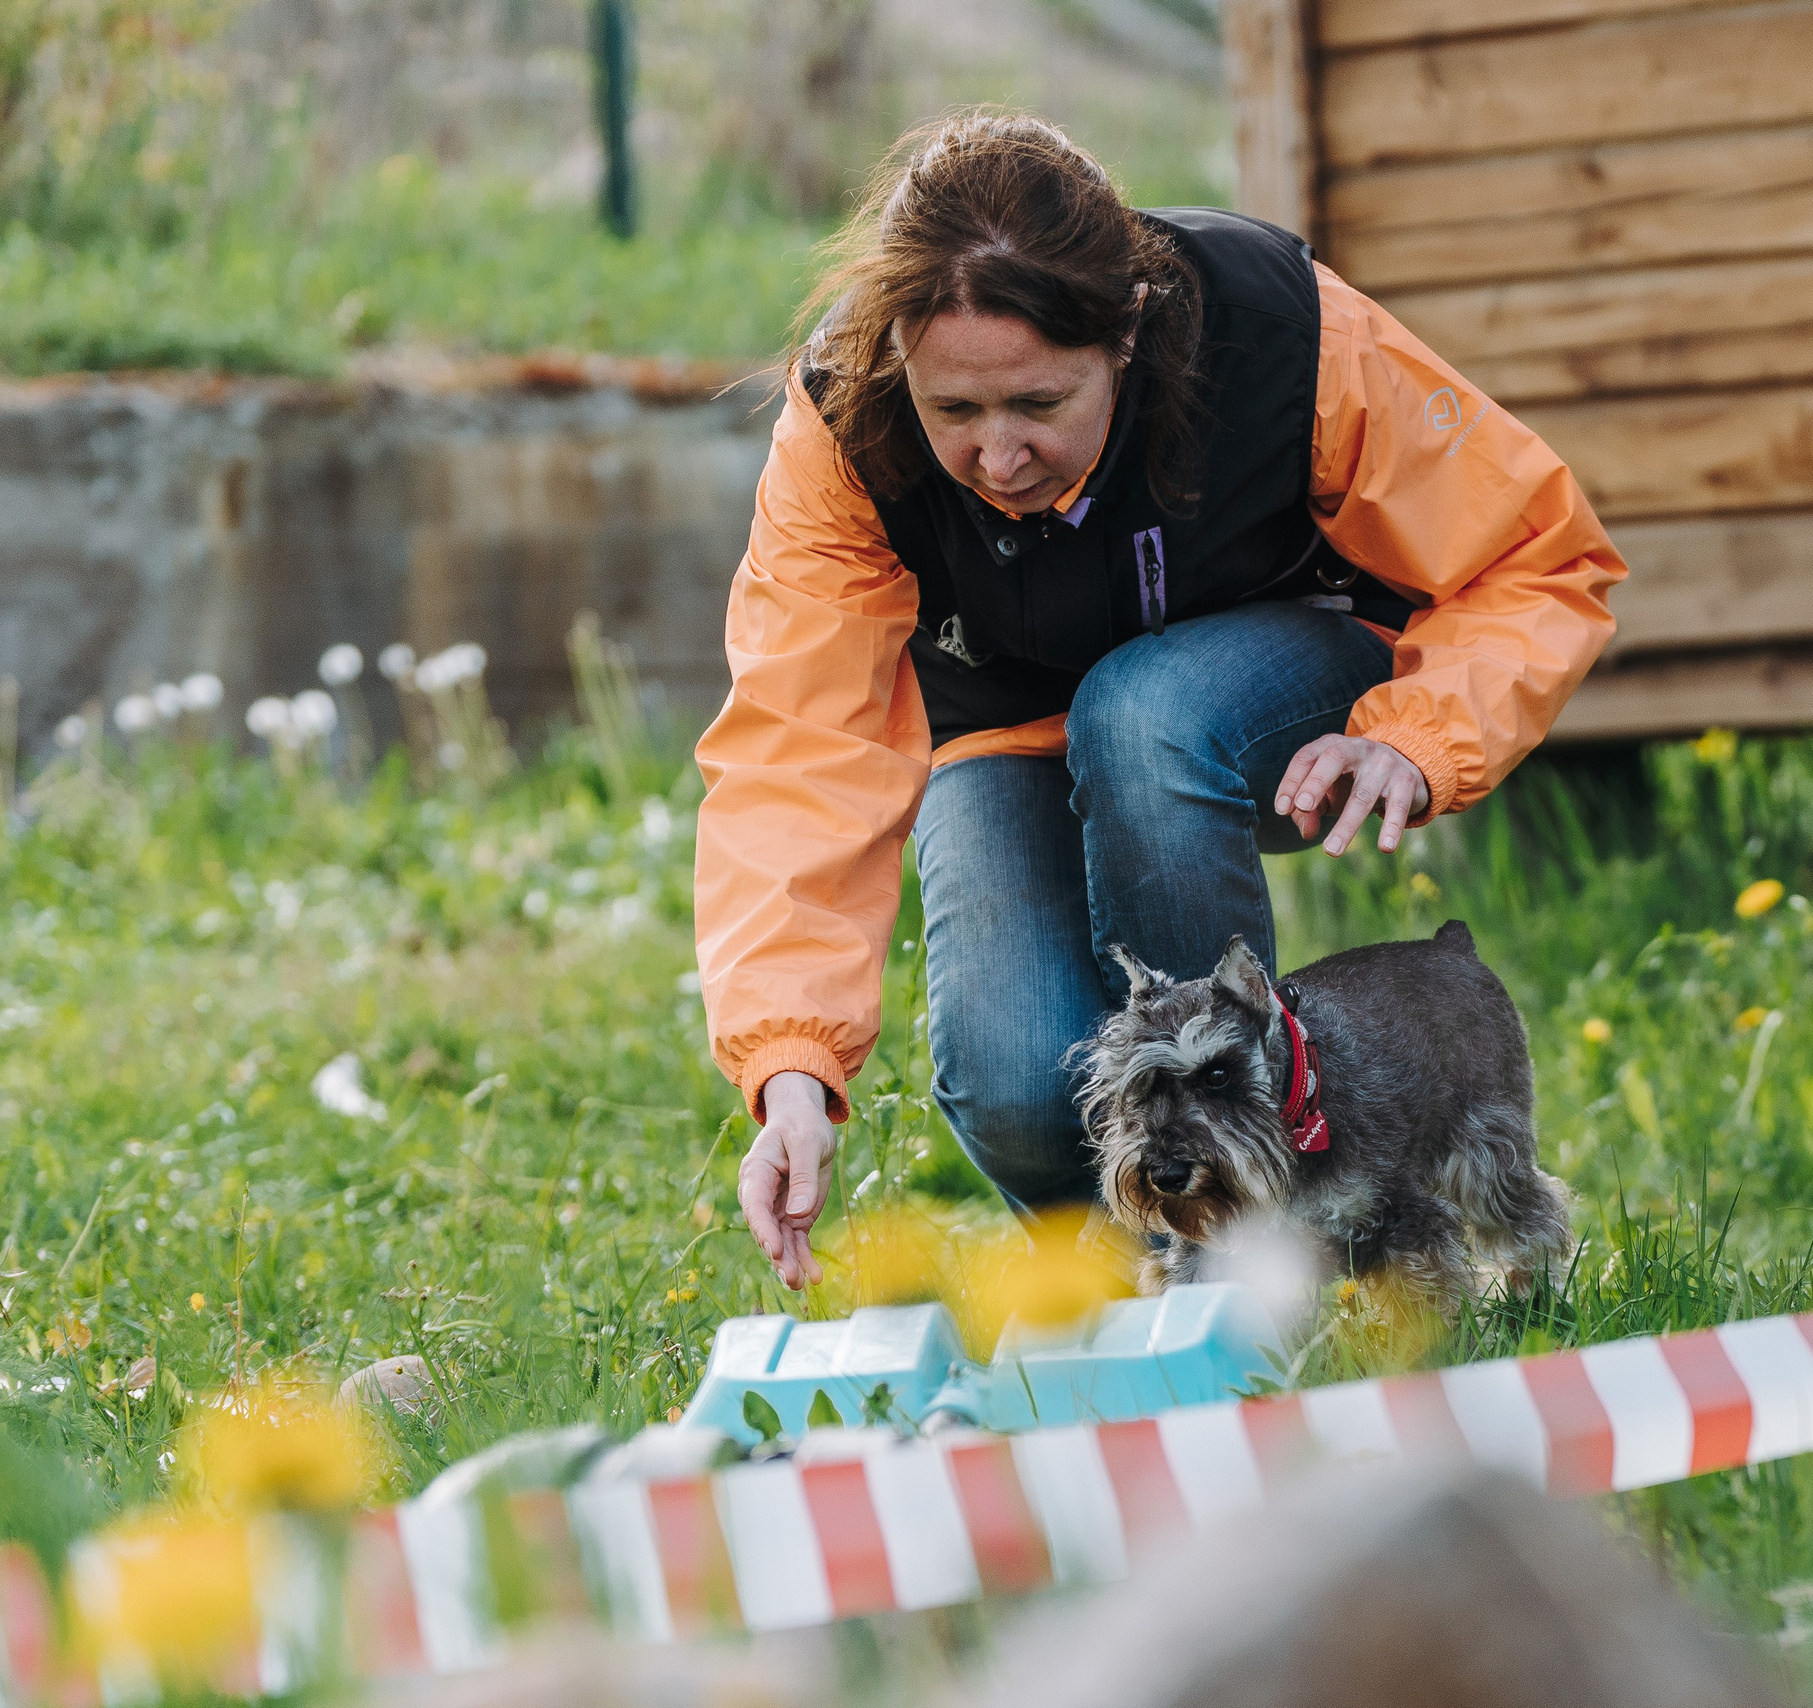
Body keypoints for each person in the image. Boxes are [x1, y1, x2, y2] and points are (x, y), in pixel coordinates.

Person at [695, 111, 1625, 1288]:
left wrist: (1424, 734)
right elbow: (794, 750)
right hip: (1003, 730)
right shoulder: (845, 422)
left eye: (1038, 404)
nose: (996, 457)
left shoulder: (1275, 327)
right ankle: (1166, 1274)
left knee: (1138, 713)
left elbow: (1533, 555)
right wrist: (789, 1064)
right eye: (956, 413)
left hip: (1282, 698)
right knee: (1026, 1089)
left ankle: (1265, 1229)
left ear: (1125, 331)